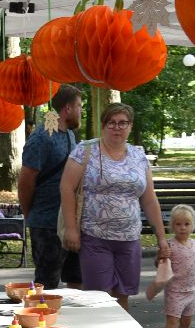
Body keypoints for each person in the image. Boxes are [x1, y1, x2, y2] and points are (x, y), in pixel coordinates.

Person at [59, 102, 168, 308]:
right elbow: (66, 188)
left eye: (122, 123)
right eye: (111, 123)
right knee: (98, 298)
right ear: (103, 126)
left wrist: (161, 238)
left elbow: (149, 198)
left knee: (123, 295)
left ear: (130, 126)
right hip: (95, 236)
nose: (117, 127)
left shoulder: (138, 155)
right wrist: (72, 229)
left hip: (129, 238)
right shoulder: (85, 151)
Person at [20, 84, 84, 289]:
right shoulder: (41, 138)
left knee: (77, 279)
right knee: (46, 286)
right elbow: (25, 182)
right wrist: (30, 214)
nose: (81, 111)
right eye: (79, 106)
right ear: (67, 108)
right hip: (47, 224)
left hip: (70, 221)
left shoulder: (69, 134)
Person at [149, 204, 195, 328]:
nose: (182, 228)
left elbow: (193, 266)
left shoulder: (194, 244)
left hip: (190, 292)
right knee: (172, 324)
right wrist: (160, 256)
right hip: (174, 292)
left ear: (192, 226)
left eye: (186, 224)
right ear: (172, 226)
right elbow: (158, 264)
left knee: (186, 323)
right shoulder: (170, 245)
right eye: (178, 224)